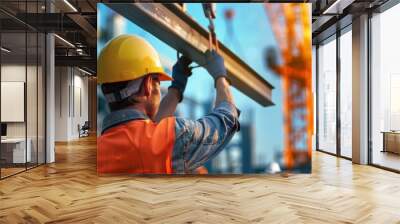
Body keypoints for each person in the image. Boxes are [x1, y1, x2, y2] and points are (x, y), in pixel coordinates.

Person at [97, 34, 240, 174]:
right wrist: (220, 77)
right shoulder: (169, 138)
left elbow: (151, 131)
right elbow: (225, 121)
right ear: (148, 85)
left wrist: (176, 89)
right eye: (158, 82)